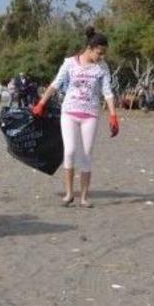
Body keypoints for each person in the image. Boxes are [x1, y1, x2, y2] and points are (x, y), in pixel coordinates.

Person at [33, 26, 119, 208]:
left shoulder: (102, 68)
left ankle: (84, 197)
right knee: (70, 151)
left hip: (91, 114)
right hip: (69, 112)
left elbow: (107, 92)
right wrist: (42, 103)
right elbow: (56, 84)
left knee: (86, 154)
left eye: (104, 54)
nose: (101, 57)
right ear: (90, 48)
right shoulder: (70, 63)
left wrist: (113, 115)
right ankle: (69, 193)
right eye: (99, 52)